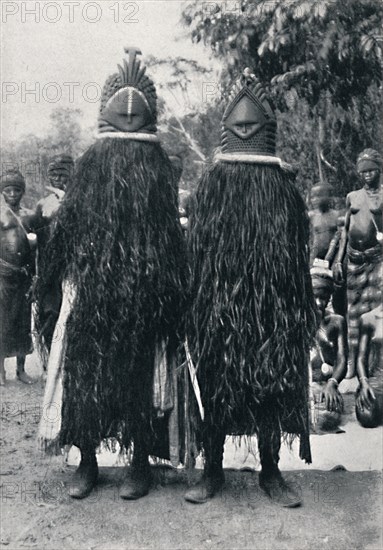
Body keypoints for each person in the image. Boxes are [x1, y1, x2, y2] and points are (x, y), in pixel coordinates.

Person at [36, 47, 186, 499]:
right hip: (92, 291)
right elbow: (67, 229)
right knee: (85, 379)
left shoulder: (158, 168)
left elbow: (168, 234)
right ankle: (87, 462)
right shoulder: (89, 166)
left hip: (143, 293)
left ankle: (140, 464)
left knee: (140, 380)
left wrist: (167, 288)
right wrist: (58, 285)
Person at [185, 69, 317, 506]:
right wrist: (201, 308)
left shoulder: (284, 191)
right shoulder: (210, 187)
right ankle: (212, 472)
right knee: (218, 386)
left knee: (271, 388)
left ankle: (271, 471)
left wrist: (296, 314)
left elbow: (298, 260)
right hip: (219, 308)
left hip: (272, 311)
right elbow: (197, 253)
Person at [333, 149, 382, 378]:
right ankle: (352, 366)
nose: (367, 175)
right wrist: (337, 260)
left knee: (378, 313)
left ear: (379, 169)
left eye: (371, 170)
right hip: (354, 261)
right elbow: (344, 232)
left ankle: (376, 365)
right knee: (353, 313)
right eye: (363, 172)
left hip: (377, 259)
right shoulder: (352, 197)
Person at [34, 155, 74, 355]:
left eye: (62, 175)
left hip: (73, 263)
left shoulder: (80, 199)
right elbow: (35, 236)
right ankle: (52, 357)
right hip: (49, 265)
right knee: (50, 311)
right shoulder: (43, 204)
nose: (57, 179)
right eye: (53, 175)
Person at [0, 169, 36, 385]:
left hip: (23, 275)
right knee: (2, 322)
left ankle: (21, 370)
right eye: (7, 190)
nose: (12, 194)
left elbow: (35, 248)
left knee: (23, 321)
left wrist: (33, 273)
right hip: (3, 275)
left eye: (16, 190)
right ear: (2, 192)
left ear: (22, 191)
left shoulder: (29, 215)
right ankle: (1, 372)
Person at [309, 260, 347, 432]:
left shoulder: (337, 322)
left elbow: (342, 359)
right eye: (314, 296)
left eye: (323, 297)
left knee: (327, 419)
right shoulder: (299, 322)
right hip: (306, 386)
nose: (318, 302)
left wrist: (332, 383)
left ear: (329, 297)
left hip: (326, 384)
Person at [355, 302, 383, 428]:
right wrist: (364, 383)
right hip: (378, 380)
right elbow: (361, 357)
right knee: (367, 416)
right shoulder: (369, 319)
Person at [309, 183, 339, 266]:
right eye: (312, 197)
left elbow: (339, 236)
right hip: (315, 258)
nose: (314, 200)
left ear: (329, 197)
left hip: (334, 257)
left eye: (318, 196)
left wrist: (331, 255)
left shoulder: (336, 215)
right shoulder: (311, 216)